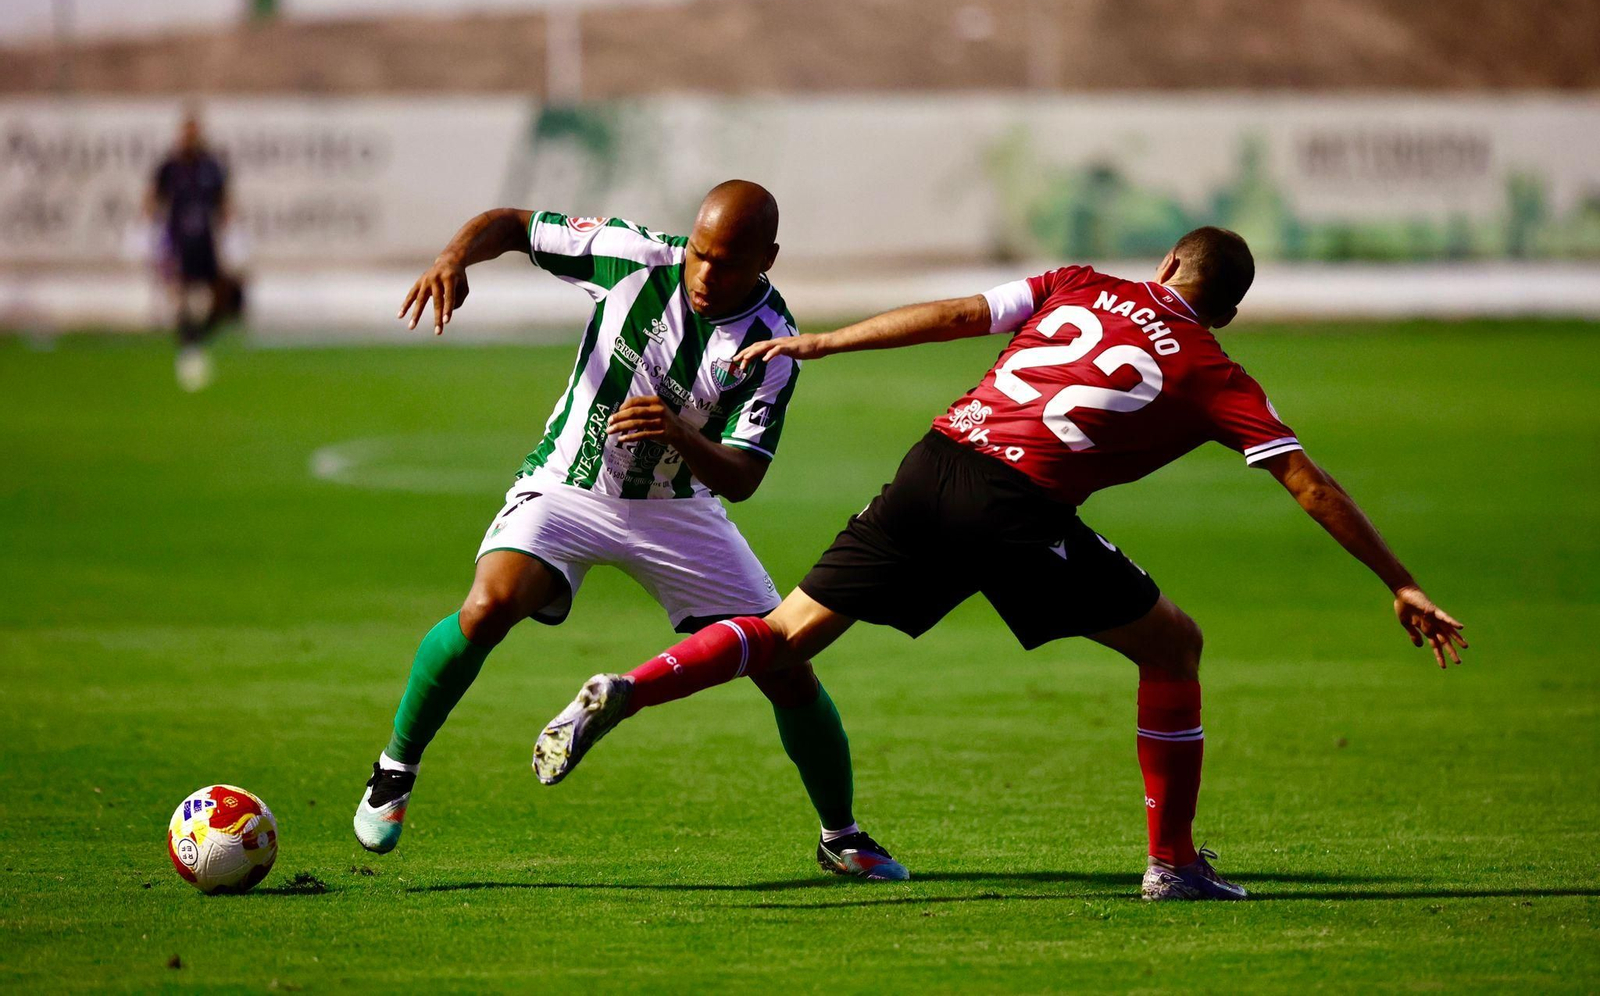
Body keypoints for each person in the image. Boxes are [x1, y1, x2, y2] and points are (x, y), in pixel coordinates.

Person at [533, 226, 1467, 901]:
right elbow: (1306, 481)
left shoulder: (1082, 282)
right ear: (1224, 308)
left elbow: (955, 313)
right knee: (1174, 644)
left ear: (1169, 265)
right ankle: (1173, 862)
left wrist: (823, 339)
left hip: (934, 460)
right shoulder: (1212, 368)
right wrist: (1401, 580)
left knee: (783, 635)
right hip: (1017, 507)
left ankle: (631, 686)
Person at [355, 181, 907, 881]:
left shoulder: (773, 342)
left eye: (728, 263)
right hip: (570, 483)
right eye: (701, 254)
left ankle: (842, 836)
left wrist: (677, 431)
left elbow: (742, 477)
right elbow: (515, 224)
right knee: (489, 605)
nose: (706, 275)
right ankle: (395, 769)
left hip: (678, 509)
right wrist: (455, 255)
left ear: (768, 257)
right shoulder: (634, 256)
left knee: (786, 663)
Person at [147, 111, 232, 391]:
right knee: (181, 290)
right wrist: (153, 228)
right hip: (178, 238)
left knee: (213, 292)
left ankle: (196, 336)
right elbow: (153, 197)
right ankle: (187, 342)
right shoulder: (170, 166)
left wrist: (228, 228)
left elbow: (224, 200)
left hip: (205, 238)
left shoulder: (210, 165)